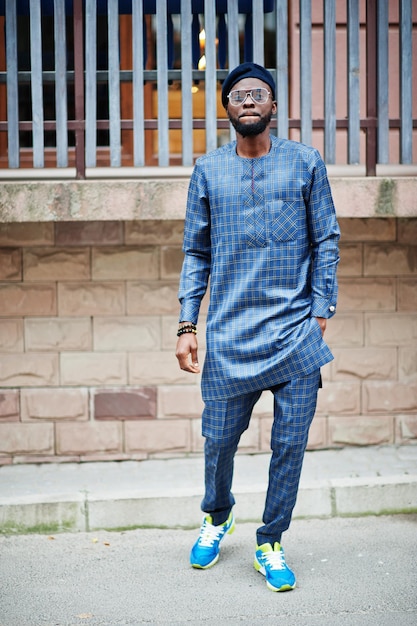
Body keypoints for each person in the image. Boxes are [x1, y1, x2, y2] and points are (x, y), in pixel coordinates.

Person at [175, 62, 340, 592]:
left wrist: (319, 313)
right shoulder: (208, 170)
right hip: (228, 334)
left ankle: (271, 539)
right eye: (238, 94)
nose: (248, 101)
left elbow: (327, 239)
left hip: (294, 334)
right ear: (227, 108)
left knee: (290, 444)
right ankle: (218, 514)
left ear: (273, 107)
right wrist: (187, 324)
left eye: (259, 94)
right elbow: (195, 252)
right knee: (218, 440)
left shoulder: (304, 163)